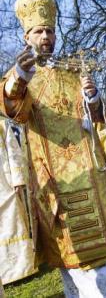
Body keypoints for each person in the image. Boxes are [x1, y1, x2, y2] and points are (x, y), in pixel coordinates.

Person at [0, 0, 106, 298]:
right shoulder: (21, 75)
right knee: (77, 240)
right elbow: (10, 105)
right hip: (58, 177)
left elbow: (94, 118)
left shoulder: (70, 70)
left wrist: (92, 98)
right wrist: (20, 74)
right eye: (38, 32)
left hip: (91, 168)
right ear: (26, 35)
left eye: (49, 31)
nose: (45, 37)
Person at [0, 119, 37, 284]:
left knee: (11, 225)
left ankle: (19, 268)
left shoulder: (2, 125)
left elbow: (13, 152)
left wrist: (18, 180)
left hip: (4, 186)